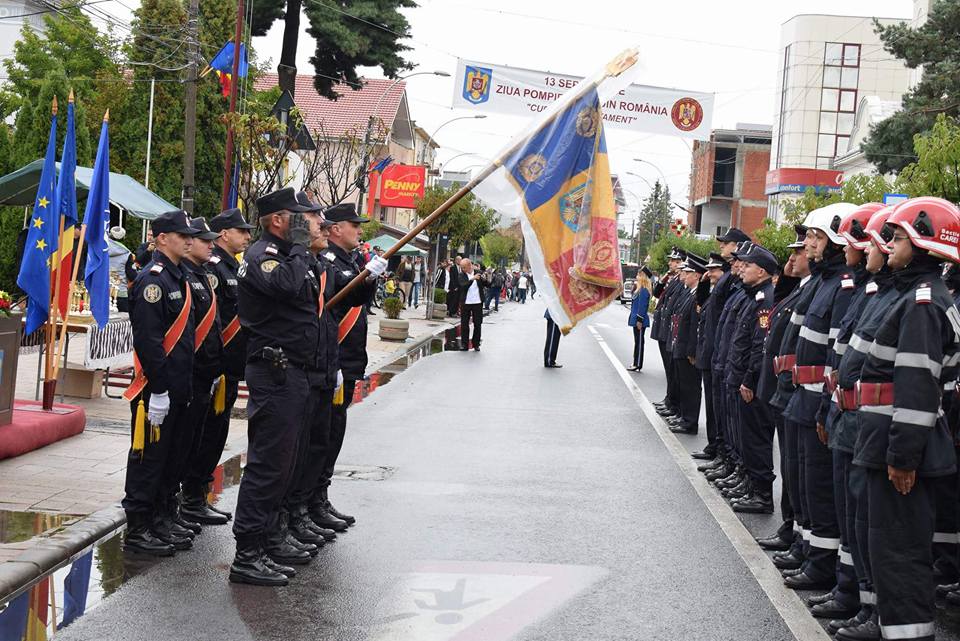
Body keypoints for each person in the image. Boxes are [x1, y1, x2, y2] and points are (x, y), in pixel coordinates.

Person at [848, 197, 960, 641]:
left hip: (902, 453)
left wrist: (902, 457)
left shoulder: (922, 303)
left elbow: (915, 390)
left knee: (900, 557)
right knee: (890, 550)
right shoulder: (916, 297)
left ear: (922, 241)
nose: (887, 245)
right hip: (889, 446)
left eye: (896, 237)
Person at [230, 188, 340, 586]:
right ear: (280, 220)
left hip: (297, 372)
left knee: (286, 464)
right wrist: (298, 246)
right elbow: (288, 289)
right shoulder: (264, 257)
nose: (316, 223)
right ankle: (247, 553)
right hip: (275, 372)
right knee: (268, 465)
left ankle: (269, 539)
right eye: (305, 217)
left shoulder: (294, 256)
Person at [782, 202, 860, 593]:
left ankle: (821, 564)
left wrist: (828, 407)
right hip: (803, 396)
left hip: (820, 400)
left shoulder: (842, 286)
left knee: (821, 488)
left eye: (815, 236)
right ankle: (806, 546)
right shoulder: (823, 281)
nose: (809, 242)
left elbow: (836, 357)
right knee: (804, 482)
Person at [121, 210, 201, 557]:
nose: (188, 239)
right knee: (148, 460)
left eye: (188, 235)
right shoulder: (153, 280)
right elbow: (150, 341)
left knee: (170, 458)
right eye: (181, 235)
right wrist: (159, 389)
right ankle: (138, 528)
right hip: (155, 389)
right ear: (161, 238)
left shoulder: (178, 276)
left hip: (177, 386)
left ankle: (160, 518)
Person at [181, 208, 254, 526]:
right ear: (226, 233)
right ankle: (192, 496)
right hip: (215, 365)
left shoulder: (232, 268)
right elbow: (214, 322)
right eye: (242, 231)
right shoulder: (214, 269)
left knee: (215, 432)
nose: (247, 237)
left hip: (227, 366)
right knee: (205, 434)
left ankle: (199, 494)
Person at [319, 203, 386, 532]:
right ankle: (311, 502)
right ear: (334, 229)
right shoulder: (329, 259)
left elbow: (359, 300)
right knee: (323, 437)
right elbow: (340, 299)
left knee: (334, 435)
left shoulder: (349, 259)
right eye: (353, 224)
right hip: (335, 359)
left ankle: (319, 497)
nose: (359, 230)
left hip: (347, 359)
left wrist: (370, 276)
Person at [751, 230, 811, 554]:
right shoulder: (796, 290)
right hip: (784, 393)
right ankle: (791, 527)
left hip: (797, 394)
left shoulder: (810, 292)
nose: (791, 258)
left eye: (798, 251)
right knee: (791, 467)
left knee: (798, 472)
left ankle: (795, 530)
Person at [170, 218, 223, 541]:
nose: (206, 244)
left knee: (197, 440)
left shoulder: (202, 275)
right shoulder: (177, 277)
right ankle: (168, 510)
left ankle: (183, 505)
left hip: (207, 371)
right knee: (175, 449)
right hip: (187, 373)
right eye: (202, 240)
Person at [725, 244, 777, 513]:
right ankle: (750, 484)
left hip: (753, 383)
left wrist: (748, 378)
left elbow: (760, 345)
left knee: (756, 439)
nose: (742, 269)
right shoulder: (755, 296)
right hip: (742, 377)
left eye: (747, 265)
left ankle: (762, 494)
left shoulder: (765, 299)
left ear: (761, 270)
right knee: (746, 437)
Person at [666, 254, 706, 434]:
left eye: (688, 272)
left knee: (691, 387)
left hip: (688, 349)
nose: (684, 275)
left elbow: (694, 326)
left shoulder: (698, 296)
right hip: (681, 345)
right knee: (683, 384)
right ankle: (684, 417)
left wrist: (692, 351)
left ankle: (690, 421)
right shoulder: (689, 294)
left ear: (697, 275)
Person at [458, 258, 488, 351]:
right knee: (464, 324)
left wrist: (485, 279)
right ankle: (464, 344)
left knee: (477, 324)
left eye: (464, 267)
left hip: (477, 302)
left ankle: (476, 344)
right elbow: (463, 286)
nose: (463, 269)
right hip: (466, 302)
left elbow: (487, 284)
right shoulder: (461, 275)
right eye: (461, 267)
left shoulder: (479, 272)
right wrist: (472, 279)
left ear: (470, 265)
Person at [627, 268, 651, 371]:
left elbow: (643, 306)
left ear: (643, 277)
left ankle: (637, 363)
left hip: (639, 321)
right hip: (636, 319)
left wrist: (639, 320)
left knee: (639, 342)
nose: (637, 276)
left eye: (639, 274)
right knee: (637, 341)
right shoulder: (639, 288)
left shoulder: (644, 290)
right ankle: (635, 362)